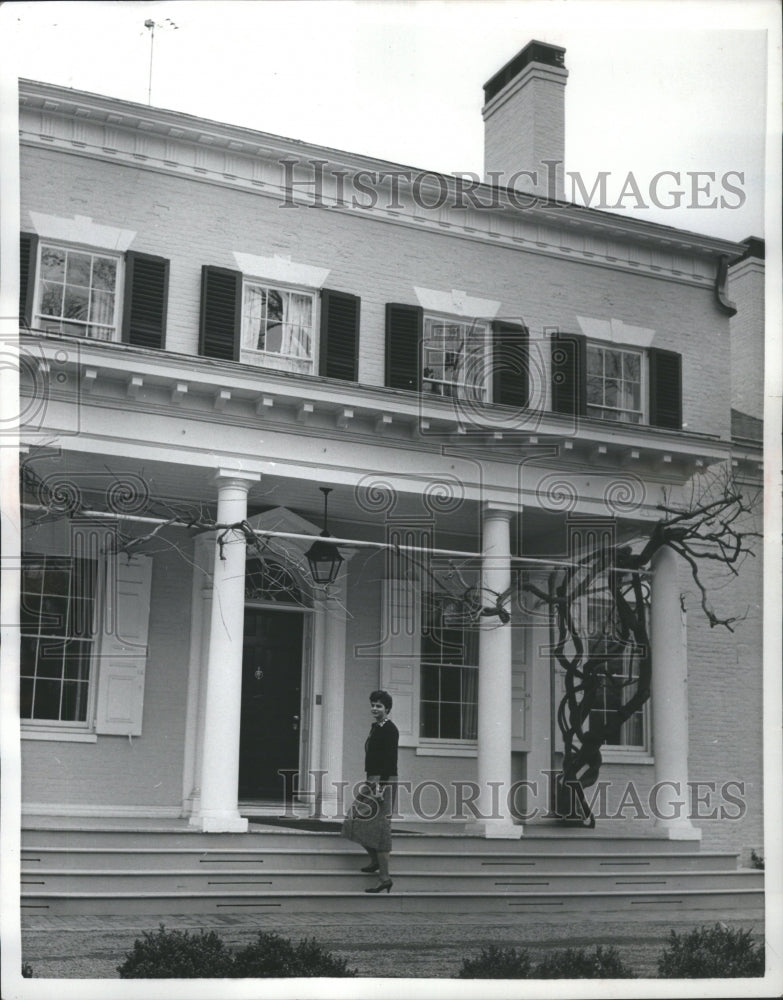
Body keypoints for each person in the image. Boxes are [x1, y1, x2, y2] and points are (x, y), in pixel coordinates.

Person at [341, 689, 398, 893]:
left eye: (379, 706)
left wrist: (381, 787)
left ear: (387, 709)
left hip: (383, 782)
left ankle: (385, 878)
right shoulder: (376, 727)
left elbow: (390, 761)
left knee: (380, 829)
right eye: (373, 705)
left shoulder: (390, 730)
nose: (375, 708)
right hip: (372, 780)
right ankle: (375, 862)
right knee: (353, 820)